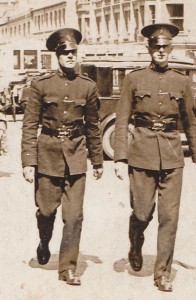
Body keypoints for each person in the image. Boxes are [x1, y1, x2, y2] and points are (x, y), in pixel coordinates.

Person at [114, 23, 196, 292]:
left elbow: (190, 123)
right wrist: (120, 157)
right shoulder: (134, 79)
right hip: (141, 153)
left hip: (171, 155)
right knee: (142, 212)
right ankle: (136, 239)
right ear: (149, 49)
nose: (161, 51)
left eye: (165, 47)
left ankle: (162, 273)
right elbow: (122, 120)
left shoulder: (182, 81)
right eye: (156, 47)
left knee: (170, 217)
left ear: (171, 49)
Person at [21, 28, 103, 285]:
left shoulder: (87, 86)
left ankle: (67, 267)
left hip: (76, 155)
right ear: (57, 55)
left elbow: (92, 126)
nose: (70, 56)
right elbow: (29, 125)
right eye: (65, 52)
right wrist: (28, 161)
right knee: (46, 211)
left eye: (73, 52)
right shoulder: (41, 85)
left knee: (74, 215)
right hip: (48, 154)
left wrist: (98, 160)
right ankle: (44, 241)